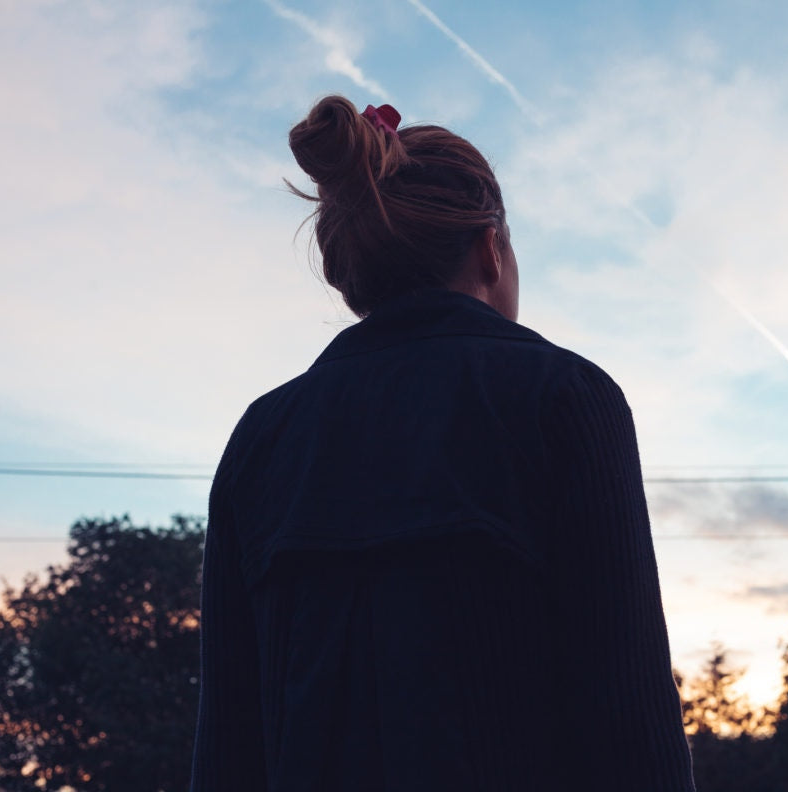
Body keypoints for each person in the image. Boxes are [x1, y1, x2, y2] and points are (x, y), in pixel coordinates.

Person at [189, 95, 695, 791]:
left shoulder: (261, 437)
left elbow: (227, 746)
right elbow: (630, 717)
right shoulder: (565, 398)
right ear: (491, 248)